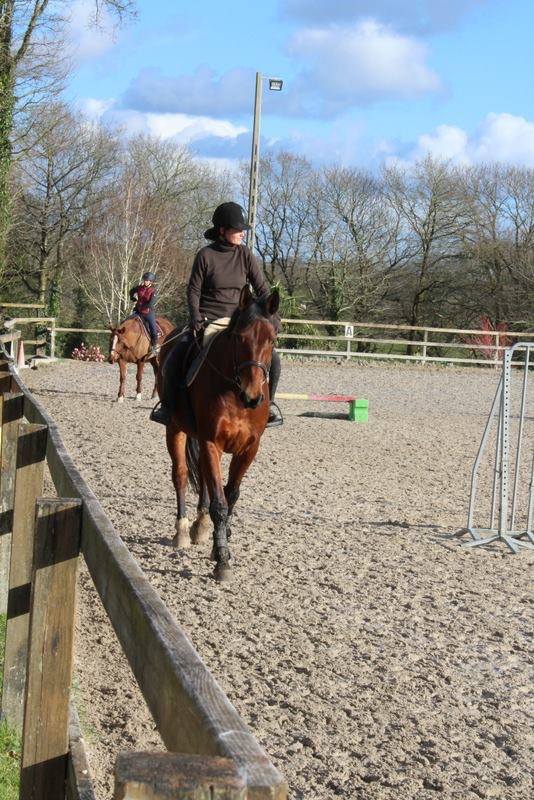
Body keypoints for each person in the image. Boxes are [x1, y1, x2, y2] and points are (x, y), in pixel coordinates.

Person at [150, 201, 282, 426]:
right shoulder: (205, 255)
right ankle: (168, 407)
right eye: (237, 229)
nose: (242, 233)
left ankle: (268, 407)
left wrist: (272, 316)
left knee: (275, 361)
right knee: (174, 357)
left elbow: (262, 290)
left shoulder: (245, 255)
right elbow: (193, 289)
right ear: (222, 230)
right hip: (209, 319)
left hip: (240, 323)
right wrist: (195, 316)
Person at [129, 272, 159, 356]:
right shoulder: (139, 288)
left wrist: (142, 306)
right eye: (144, 280)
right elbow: (131, 291)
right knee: (126, 321)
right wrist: (132, 298)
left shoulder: (153, 291)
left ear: (151, 282)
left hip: (148, 313)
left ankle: (154, 347)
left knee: (153, 329)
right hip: (138, 312)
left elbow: (151, 304)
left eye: (147, 280)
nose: (145, 281)